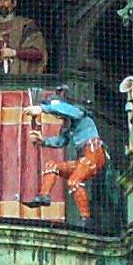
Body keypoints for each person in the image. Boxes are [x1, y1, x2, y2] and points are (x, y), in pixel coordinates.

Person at [22, 87, 108, 229]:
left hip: (93, 152)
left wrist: (42, 108)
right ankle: (44, 195)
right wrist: (43, 140)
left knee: (74, 181)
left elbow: (65, 109)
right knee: (52, 166)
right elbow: (62, 141)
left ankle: (86, 218)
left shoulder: (79, 113)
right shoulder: (70, 126)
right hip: (84, 158)